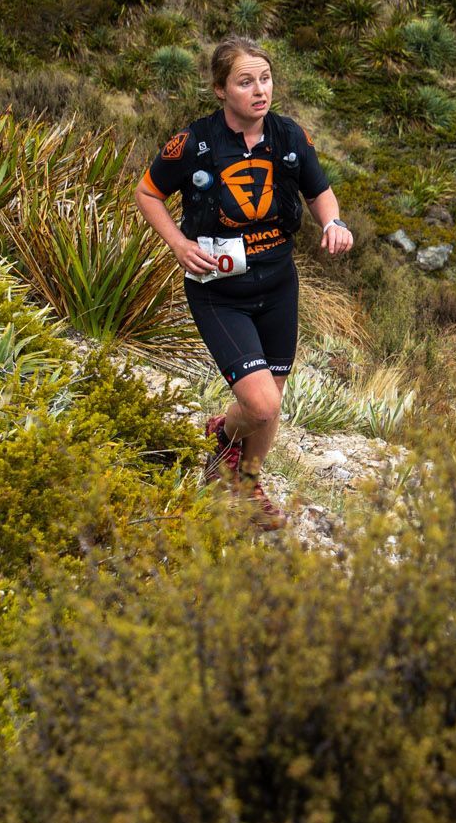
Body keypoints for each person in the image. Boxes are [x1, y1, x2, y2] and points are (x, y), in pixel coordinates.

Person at [135, 37, 353, 528]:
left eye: (266, 78)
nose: (260, 90)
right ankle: (221, 431)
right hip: (218, 291)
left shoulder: (288, 135)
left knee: (269, 405)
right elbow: (147, 193)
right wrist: (176, 242)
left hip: (278, 284)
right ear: (220, 89)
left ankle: (243, 487)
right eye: (245, 81)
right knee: (260, 404)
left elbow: (321, 191)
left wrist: (333, 223)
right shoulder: (194, 143)